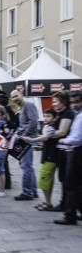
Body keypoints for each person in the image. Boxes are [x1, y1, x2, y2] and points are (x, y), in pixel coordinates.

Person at [54, 91, 82, 225]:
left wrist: (63, 141)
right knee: (77, 184)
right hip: (75, 150)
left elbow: (76, 139)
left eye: (77, 102)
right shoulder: (77, 115)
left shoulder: (80, 117)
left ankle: (70, 215)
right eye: (72, 102)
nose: (74, 105)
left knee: (71, 184)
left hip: (76, 151)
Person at [22, 109, 59, 210]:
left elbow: (46, 138)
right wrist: (41, 147)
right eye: (45, 116)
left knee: (44, 179)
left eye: (49, 116)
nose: (46, 118)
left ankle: (48, 203)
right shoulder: (47, 126)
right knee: (46, 181)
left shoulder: (52, 127)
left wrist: (32, 140)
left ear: (55, 118)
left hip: (50, 157)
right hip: (48, 155)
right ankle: (47, 202)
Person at [10, 90, 39, 200]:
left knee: (26, 166)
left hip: (27, 139)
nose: (15, 98)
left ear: (22, 95)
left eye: (17, 95)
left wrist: (25, 134)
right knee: (28, 167)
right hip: (25, 138)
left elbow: (33, 122)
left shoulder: (28, 105)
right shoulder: (22, 107)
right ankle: (33, 191)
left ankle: (27, 192)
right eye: (13, 97)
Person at [50, 91, 74, 212]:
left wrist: (48, 133)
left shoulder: (67, 113)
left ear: (63, 102)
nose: (53, 104)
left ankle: (66, 205)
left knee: (66, 179)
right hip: (61, 149)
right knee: (63, 178)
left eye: (55, 101)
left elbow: (62, 132)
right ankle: (64, 203)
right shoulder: (61, 113)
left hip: (66, 150)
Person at [0, 90, 17, 189]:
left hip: (2, 142)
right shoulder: (9, 111)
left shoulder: (6, 113)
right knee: (3, 163)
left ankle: (5, 183)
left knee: (1, 163)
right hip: (4, 142)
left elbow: (3, 131)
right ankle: (5, 182)